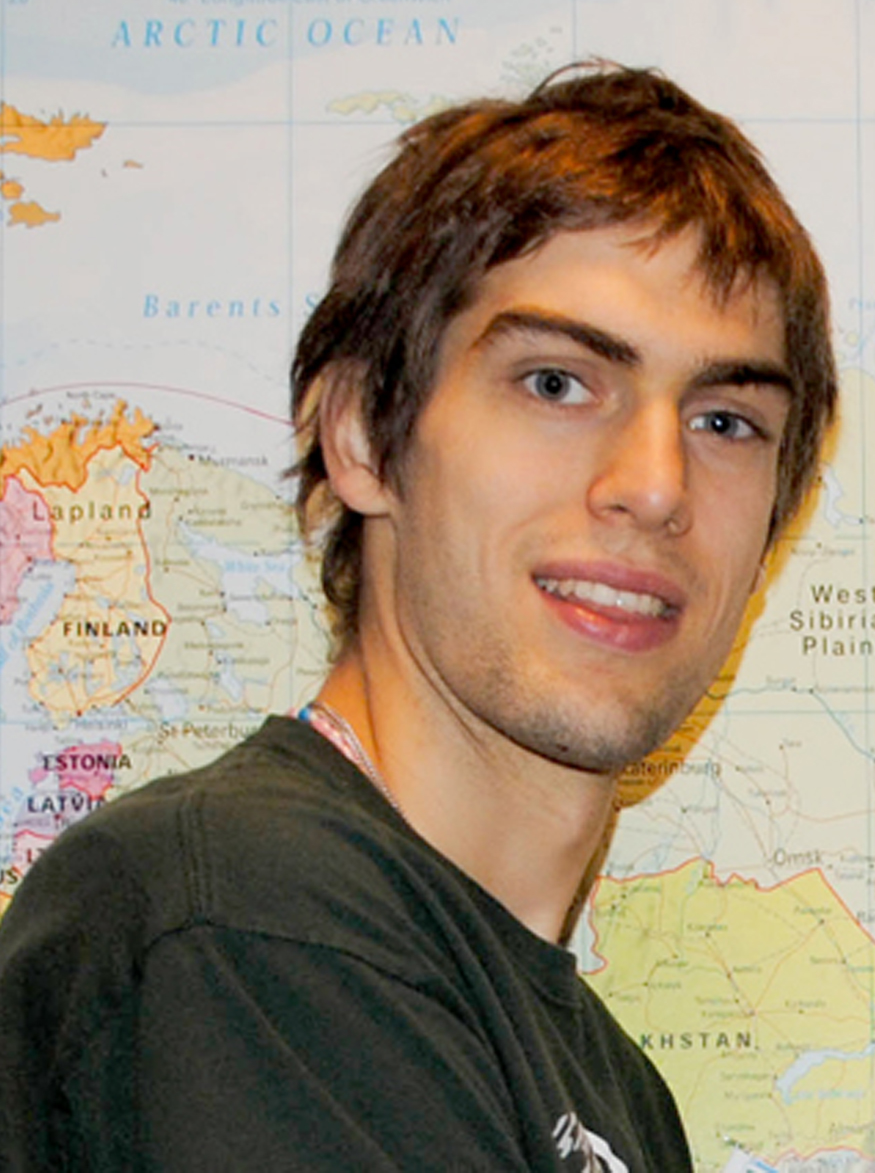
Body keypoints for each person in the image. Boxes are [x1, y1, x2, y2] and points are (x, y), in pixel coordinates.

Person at [0, 63, 836, 1171]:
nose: (653, 486)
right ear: (360, 435)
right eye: (555, 383)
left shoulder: (611, 1089)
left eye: (724, 421)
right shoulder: (244, 928)